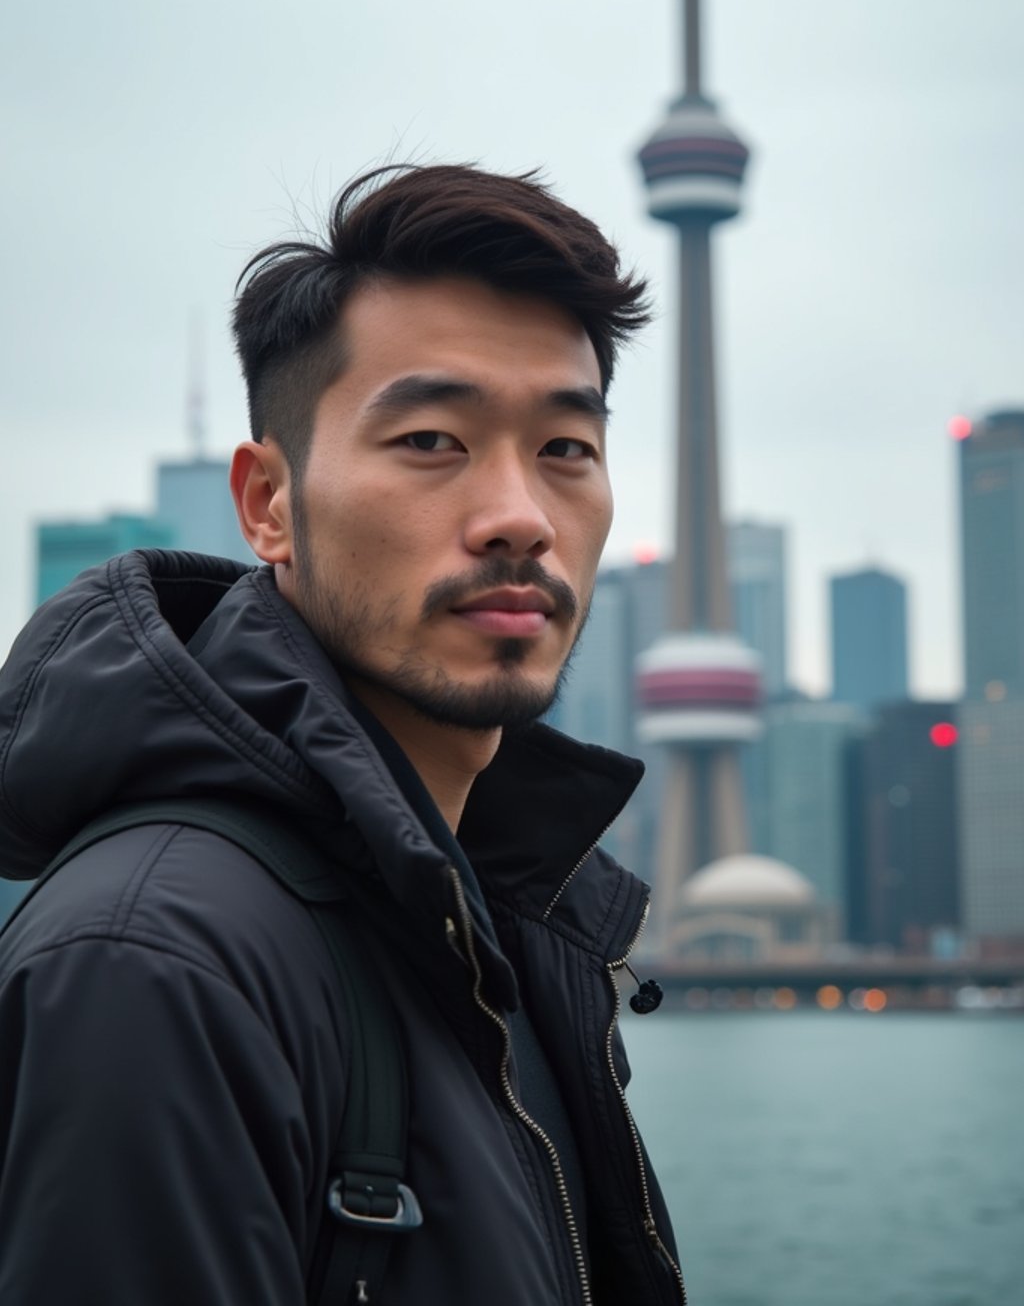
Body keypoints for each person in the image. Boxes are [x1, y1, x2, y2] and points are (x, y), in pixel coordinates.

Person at [0, 164, 685, 1305]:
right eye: (430, 440)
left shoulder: (496, 932)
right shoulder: (158, 962)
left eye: (566, 448)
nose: (520, 514)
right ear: (268, 503)